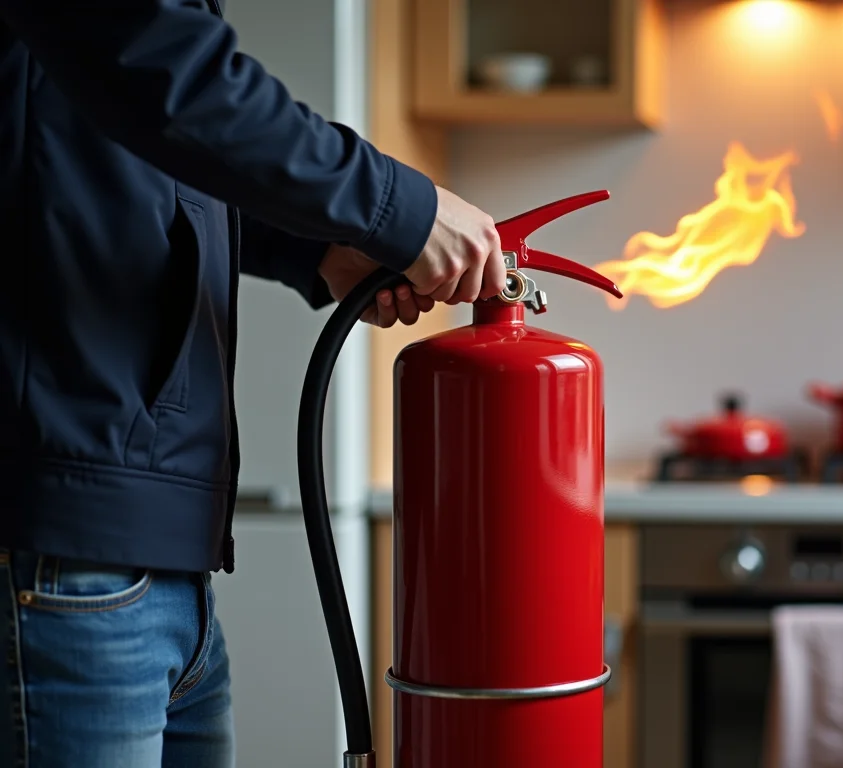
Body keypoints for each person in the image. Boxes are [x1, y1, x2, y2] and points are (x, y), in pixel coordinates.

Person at [0, 0, 506, 765]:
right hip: (67, 549)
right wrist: (400, 209)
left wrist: (317, 248)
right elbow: (168, 74)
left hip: (163, 561)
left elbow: (142, 149)